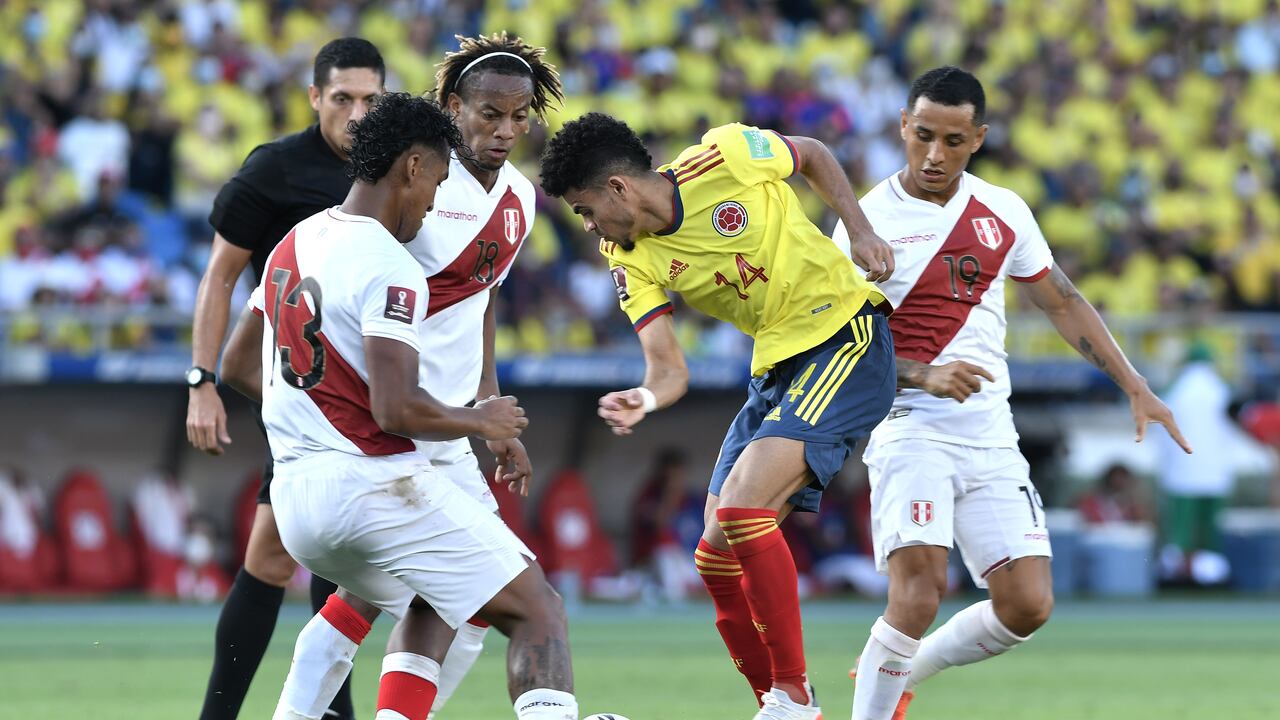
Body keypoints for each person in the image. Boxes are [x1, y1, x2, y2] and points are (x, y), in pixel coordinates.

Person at [831, 66, 1191, 720]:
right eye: (922, 136)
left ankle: (903, 672)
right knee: (916, 597)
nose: (935, 155)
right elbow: (839, 347)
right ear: (901, 129)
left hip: (991, 434)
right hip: (910, 427)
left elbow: (1061, 300)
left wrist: (1134, 385)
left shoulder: (1002, 210)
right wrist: (922, 373)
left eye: (953, 140)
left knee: (1027, 605)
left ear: (979, 139)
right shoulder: (866, 225)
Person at [218, 91, 577, 720]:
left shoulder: (295, 240)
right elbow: (394, 409)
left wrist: (314, 408)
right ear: (412, 167)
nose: (435, 201)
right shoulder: (391, 264)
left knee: (427, 597)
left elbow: (238, 367)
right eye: (437, 182)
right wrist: (481, 419)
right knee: (537, 606)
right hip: (368, 487)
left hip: (297, 501)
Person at [540, 112, 897, 719]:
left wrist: (858, 231)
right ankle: (775, 703)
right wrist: (645, 398)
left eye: (586, 209)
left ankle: (793, 695)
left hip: (845, 336)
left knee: (742, 511)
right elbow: (668, 368)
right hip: (776, 372)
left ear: (618, 189)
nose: (590, 225)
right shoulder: (629, 258)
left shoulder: (724, 155)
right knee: (713, 554)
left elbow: (810, 151)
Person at [185, 37, 385, 720]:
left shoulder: (399, 169)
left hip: (372, 391)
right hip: (301, 390)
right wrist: (201, 380)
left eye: (370, 99)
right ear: (313, 98)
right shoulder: (276, 170)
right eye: (342, 99)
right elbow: (218, 277)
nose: (357, 114)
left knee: (301, 555)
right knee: (305, 555)